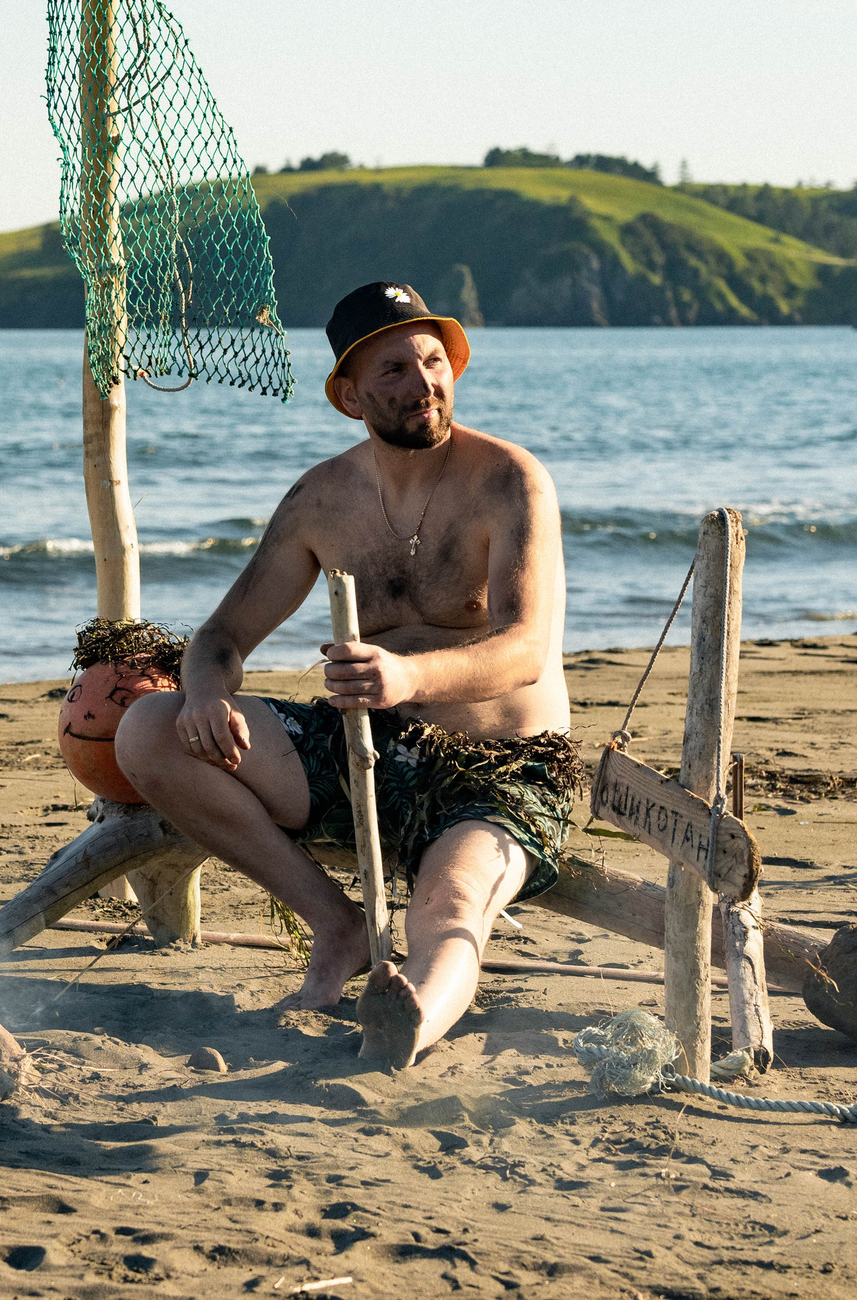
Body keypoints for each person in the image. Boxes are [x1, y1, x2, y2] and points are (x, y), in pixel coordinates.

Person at [115, 279, 577, 1069]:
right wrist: (203, 693)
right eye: (394, 369)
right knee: (147, 728)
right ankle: (338, 924)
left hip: (501, 770)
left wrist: (405, 676)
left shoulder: (509, 480)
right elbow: (223, 633)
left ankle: (413, 1019)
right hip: (365, 748)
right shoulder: (321, 499)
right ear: (349, 394)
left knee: (451, 903)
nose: (423, 382)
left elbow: (524, 646)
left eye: (434, 360)